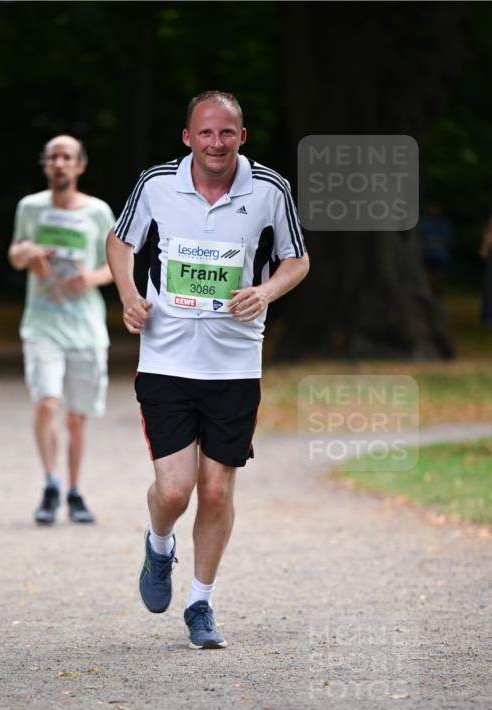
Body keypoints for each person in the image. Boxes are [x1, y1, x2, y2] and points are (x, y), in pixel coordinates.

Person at [106, 91, 309, 649]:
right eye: (205, 133)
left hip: (235, 363)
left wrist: (265, 291)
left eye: (226, 133)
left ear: (242, 137)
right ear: (187, 137)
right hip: (167, 357)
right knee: (175, 490)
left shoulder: (270, 189)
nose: (215, 143)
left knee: (217, 492)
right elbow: (120, 242)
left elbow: (298, 258)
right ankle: (159, 545)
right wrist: (128, 295)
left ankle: (200, 602)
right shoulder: (156, 185)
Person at [9, 135, 115, 524]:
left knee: (76, 417)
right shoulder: (31, 207)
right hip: (41, 323)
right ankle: (51, 484)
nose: (59, 163)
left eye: (67, 157)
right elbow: (15, 251)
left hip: (85, 327)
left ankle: (75, 490)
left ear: (80, 166)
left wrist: (90, 278)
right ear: (45, 165)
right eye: (53, 156)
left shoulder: (99, 212)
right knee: (46, 402)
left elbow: (118, 263)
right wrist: (27, 253)